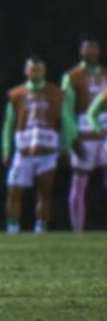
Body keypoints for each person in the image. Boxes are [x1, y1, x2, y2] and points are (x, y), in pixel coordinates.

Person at [2, 55, 77, 233]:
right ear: (26, 71)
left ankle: (40, 229)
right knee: (14, 190)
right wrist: (6, 149)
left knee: (45, 191)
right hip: (24, 149)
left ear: (44, 71)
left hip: (47, 150)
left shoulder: (56, 93)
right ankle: (12, 229)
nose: (35, 72)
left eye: (39, 69)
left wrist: (66, 145)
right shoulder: (17, 94)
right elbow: (8, 124)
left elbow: (67, 121)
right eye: (32, 69)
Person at [62, 37, 107, 231]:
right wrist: (72, 138)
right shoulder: (72, 76)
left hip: (104, 132)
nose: (91, 52)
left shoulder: (105, 74)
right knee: (79, 181)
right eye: (87, 49)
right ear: (81, 52)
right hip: (84, 133)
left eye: (94, 48)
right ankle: (77, 230)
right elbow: (66, 110)